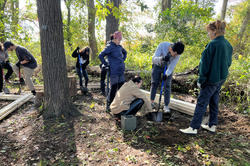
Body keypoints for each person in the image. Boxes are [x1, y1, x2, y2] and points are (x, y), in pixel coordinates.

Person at [180, 20, 233, 135]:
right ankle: (212, 125)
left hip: (211, 80)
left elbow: (204, 64)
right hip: (221, 78)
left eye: (209, 32)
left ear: (214, 31)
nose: (208, 34)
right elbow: (229, 63)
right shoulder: (228, 45)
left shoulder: (212, 44)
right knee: (214, 101)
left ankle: (193, 128)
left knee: (201, 103)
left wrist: (201, 80)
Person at [150, 41, 185, 113]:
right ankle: (151, 102)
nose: (175, 56)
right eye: (174, 54)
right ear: (171, 49)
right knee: (154, 83)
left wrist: (166, 74)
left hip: (167, 67)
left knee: (167, 86)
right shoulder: (162, 45)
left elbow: (172, 66)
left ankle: (166, 106)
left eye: (177, 55)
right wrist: (162, 58)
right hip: (157, 65)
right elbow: (153, 59)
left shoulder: (177, 53)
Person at [99, 31, 127, 105]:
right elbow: (101, 55)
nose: (119, 41)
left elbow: (125, 52)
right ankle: (110, 104)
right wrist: (106, 64)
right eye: (118, 40)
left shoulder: (119, 47)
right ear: (114, 38)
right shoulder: (110, 46)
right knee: (114, 88)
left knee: (121, 88)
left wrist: (123, 60)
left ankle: (119, 104)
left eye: (120, 40)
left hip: (121, 70)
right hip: (114, 71)